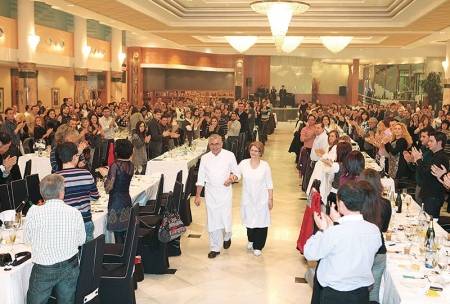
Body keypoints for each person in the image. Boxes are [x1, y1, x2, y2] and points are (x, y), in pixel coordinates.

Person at [304, 181, 382, 304]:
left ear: (340, 204)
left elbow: (309, 253)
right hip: (361, 294)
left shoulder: (334, 232)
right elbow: (353, 241)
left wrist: (323, 230)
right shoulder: (374, 230)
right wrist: (339, 221)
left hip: (335, 294)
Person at [25, 174, 86, 304]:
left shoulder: (33, 212)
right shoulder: (74, 213)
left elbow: (26, 240)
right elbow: (81, 241)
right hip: (70, 265)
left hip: (44, 268)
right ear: (61, 193)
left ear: (42, 193)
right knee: (67, 301)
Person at [195, 134, 240, 259]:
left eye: (217, 144)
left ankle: (227, 235)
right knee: (213, 220)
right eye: (212, 144)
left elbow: (237, 173)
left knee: (225, 217)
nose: (214, 147)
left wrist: (231, 178)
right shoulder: (204, 158)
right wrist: (198, 195)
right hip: (210, 193)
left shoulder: (229, 155)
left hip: (225, 192)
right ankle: (215, 247)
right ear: (209, 145)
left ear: (222, 144)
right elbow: (200, 178)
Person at [359, 169, 391, 304]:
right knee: (374, 290)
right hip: (379, 251)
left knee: (356, 289)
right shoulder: (385, 203)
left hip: (360, 250)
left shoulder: (357, 203)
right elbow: (384, 228)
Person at [56, 142, 99, 241]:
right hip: (85, 220)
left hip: (65, 223)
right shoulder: (86, 174)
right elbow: (95, 196)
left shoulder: (56, 177)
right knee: (88, 253)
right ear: (75, 157)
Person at [239, 141, 273, 256]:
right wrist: (232, 177)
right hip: (248, 198)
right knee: (249, 222)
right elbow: (237, 174)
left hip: (261, 199)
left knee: (261, 222)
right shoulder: (243, 163)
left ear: (260, 152)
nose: (253, 153)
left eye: (256, 151)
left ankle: (258, 245)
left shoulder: (265, 166)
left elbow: (269, 183)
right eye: (252, 150)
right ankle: (251, 240)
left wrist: (270, 198)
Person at [99, 139, 134, 244]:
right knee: (125, 233)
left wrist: (105, 175)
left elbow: (108, 188)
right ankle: (128, 256)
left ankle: (121, 258)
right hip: (126, 199)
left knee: (118, 235)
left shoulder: (115, 165)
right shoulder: (131, 165)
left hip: (116, 202)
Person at [412, 131, 449, 219]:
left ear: (439, 142)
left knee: (430, 222)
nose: (429, 143)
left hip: (433, 196)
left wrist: (418, 160)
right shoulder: (434, 155)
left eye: (431, 141)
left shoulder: (441, 157)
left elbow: (427, 173)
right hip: (429, 194)